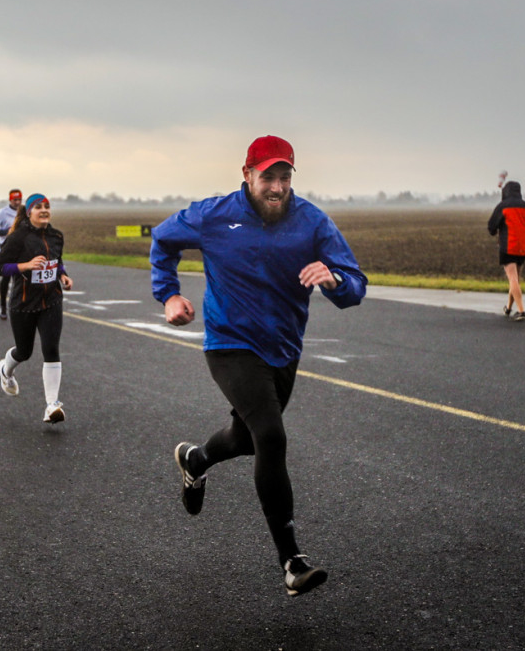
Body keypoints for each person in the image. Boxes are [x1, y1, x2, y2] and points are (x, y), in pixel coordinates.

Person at [151, 135, 367, 597]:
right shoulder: (214, 215)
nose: (276, 186)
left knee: (247, 438)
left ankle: (196, 458)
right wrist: (168, 294)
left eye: (284, 176)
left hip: (284, 350)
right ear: (246, 175)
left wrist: (334, 279)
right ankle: (292, 561)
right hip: (229, 344)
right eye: (267, 176)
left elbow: (355, 283)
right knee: (270, 435)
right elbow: (163, 240)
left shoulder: (312, 222)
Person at [0, 193, 74, 423]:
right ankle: (5, 370)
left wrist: (63, 275)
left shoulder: (57, 236)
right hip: (24, 304)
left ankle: (52, 405)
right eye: (38, 207)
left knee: (51, 349)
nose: (44, 210)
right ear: (29, 212)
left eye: (47, 206)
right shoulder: (18, 237)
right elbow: (0, 268)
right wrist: (26, 265)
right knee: (24, 351)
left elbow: (56, 261)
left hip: (51, 301)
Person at [488, 180, 525, 321]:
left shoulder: (502, 206)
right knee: (515, 280)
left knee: (512, 278)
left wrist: (497, 231)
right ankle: (509, 308)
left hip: (507, 246)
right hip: (522, 247)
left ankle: (521, 311)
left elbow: (491, 226)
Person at [0, 188, 24, 319]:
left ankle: (18, 306)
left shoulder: (24, 212)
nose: (17, 202)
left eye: (19, 199)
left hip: (20, 249)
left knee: (20, 278)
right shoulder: (2, 213)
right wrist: (6, 232)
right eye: (15, 200)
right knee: (6, 278)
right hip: (6, 249)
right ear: (10, 200)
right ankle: (3, 306)